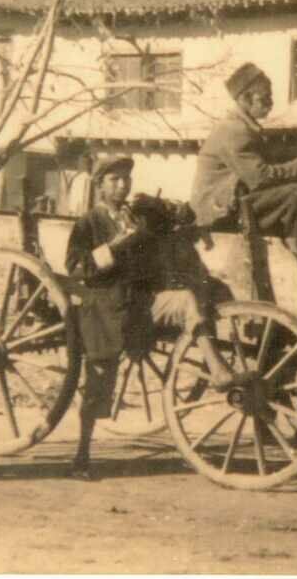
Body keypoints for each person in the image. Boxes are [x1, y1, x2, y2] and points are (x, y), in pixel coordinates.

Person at [63, 156, 233, 481]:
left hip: (142, 302)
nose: (122, 185)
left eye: (126, 179)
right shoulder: (89, 223)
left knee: (187, 300)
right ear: (100, 186)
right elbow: (75, 267)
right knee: (99, 380)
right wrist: (114, 246)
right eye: (113, 180)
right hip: (106, 305)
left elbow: (167, 221)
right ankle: (81, 455)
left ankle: (217, 366)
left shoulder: (134, 216)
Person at [191, 62, 297, 277]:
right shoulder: (233, 130)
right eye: (264, 98)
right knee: (295, 194)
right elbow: (260, 177)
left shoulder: (245, 128)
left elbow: (270, 169)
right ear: (245, 98)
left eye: (270, 97)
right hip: (219, 213)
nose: (270, 104)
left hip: (235, 203)